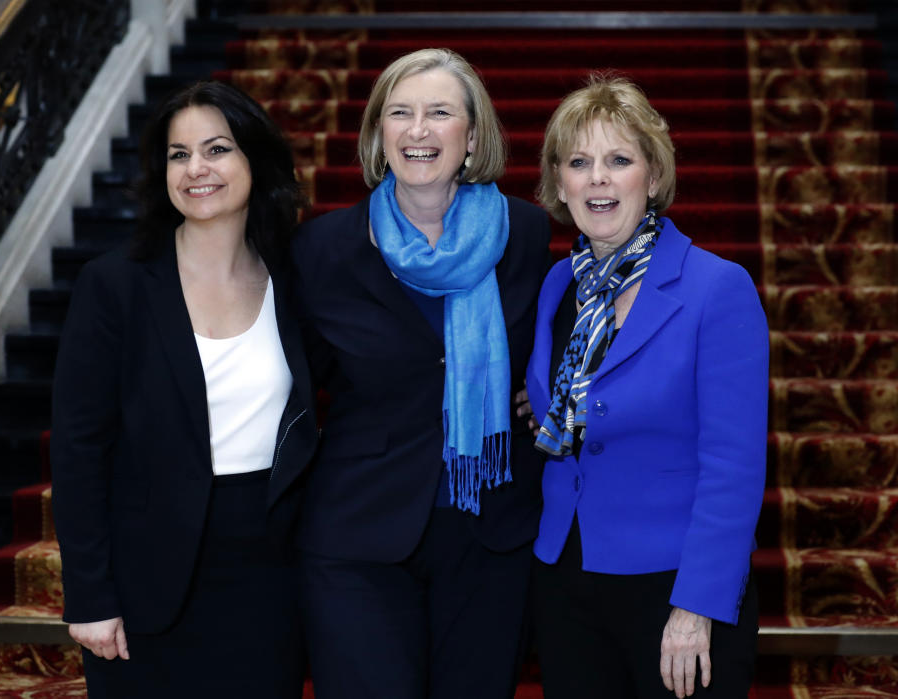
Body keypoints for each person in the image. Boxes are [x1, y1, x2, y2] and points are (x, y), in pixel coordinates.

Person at [289, 48, 550, 698]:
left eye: (439, 112)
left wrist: (539, 393)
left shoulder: (525, 233)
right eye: (399, 113)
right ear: (379, 133)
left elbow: (558, 339)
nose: (418, 130)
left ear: (471, 135)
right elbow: (295, 380)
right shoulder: (324, 248)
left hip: (490, 530)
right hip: (358, 532)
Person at [50, 80, 316, 698]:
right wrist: (90, 595)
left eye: (217, 149)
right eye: (178, 154)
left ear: (255, 159)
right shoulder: (115, 285)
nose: (196, 169)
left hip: (265, 574)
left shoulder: (295, 277)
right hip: (145, 579)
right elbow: (78, 448)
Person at [523, 75, 768, 698]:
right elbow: (568, 407)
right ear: (559, 183)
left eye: (619, 160)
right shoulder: (559, 285)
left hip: (675, 587)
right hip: (565, 575)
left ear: (653, 178)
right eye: (579, 162)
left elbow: (733, 468)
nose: (597, 178)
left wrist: (697, 607)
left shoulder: (717, 287)